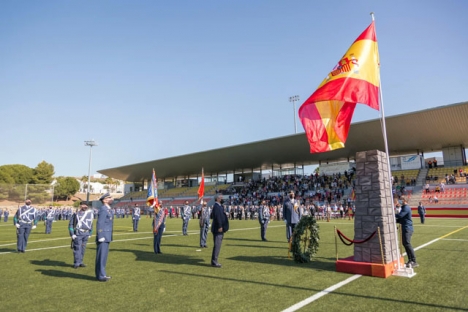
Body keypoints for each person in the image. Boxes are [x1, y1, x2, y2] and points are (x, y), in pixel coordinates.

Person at [95, 193, 114, 282]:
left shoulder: (108, 209)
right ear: (104, 200)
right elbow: (100, 223)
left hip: (107, 236)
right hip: (103, 236)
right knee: (101, 256)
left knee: (104, 257)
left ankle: (102, 274)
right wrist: (100, 235)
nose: (111, 199)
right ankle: (101, 275)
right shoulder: (103, 209)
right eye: (109, 198)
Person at [395, 196, 418, 268]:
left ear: (404, 200)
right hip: (405, 227)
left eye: (401, 199)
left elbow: (400, 216)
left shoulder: (406, 208)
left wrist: (392, 214)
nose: (399, 201)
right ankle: (410, 260)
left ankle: (414, 261)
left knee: (407, 244)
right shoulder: (404, 208)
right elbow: (401, 219)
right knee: (405, 244)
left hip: (407, 228)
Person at [69, 203, 94, 269]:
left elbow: (91, 224)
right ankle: (76, 263)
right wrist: (72, 234)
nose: (85, 206)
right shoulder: (76, 214)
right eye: (83, 205)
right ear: (80, 206)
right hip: (78, 233)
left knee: (83, 248)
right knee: (77, 248)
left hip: (86, 233)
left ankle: (80, 262)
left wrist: (90, 233)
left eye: (86, 205)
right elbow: (71, 224)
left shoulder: (90, 214)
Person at [211, 194, 227, 268]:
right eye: (221, 198)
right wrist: (220, 226)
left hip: (220, 228)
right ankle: (214, 261)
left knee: (218, 245)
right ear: (217, 199)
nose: (222, 199)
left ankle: (214, 260)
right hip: (218, 229)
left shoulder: (219, 206)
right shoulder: (216, 206)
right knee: (217, 245)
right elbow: (217, 217)